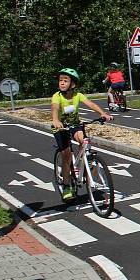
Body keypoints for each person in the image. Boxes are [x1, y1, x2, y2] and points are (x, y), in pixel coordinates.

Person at [50, 68, 112, 201]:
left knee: (84, 142)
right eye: (60, 80)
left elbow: (90, 104)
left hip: (75, 125)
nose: (61, 83)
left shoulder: (78, 95)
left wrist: (102, 113)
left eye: (65, 81)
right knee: (66, 156)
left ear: (73, 84)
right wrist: (55, 120)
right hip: (60, 128)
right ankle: (66, 185)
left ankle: (86, 164)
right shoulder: (57, 96)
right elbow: (55, 108)